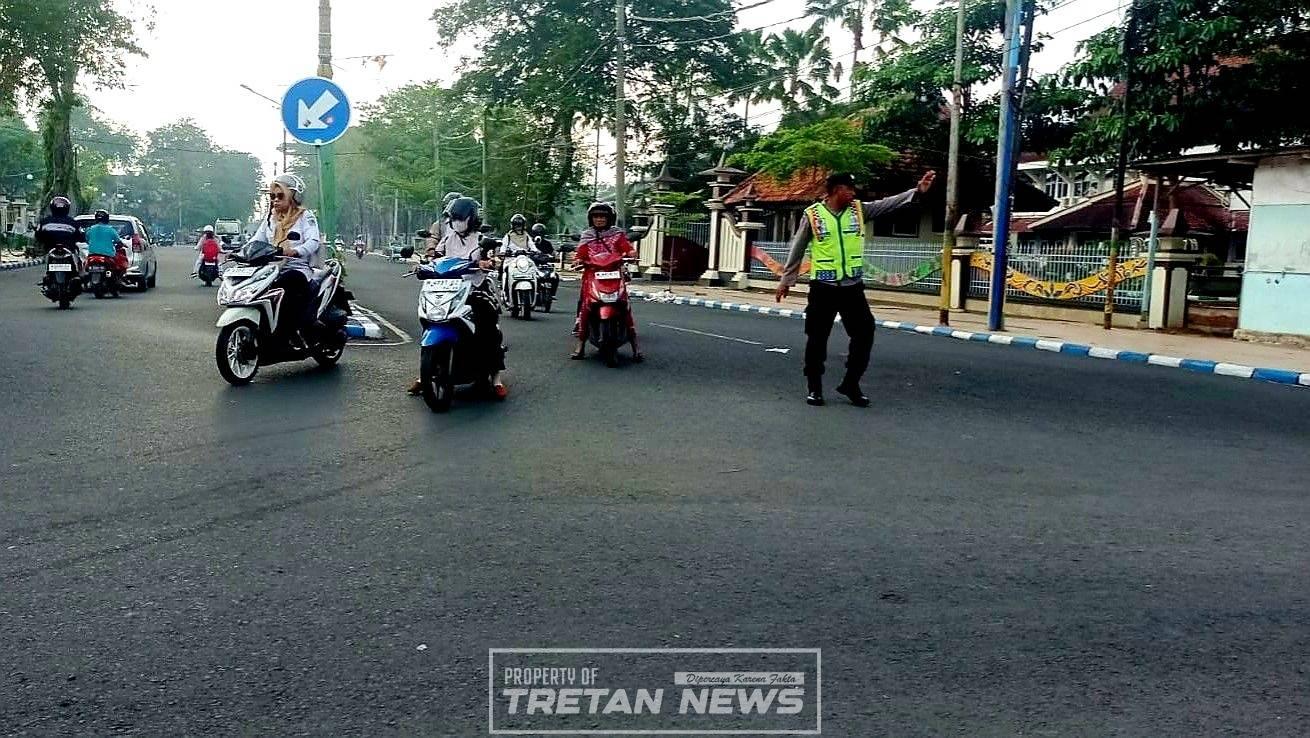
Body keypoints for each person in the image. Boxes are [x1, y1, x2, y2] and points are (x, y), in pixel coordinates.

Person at [775, 170, 936, 407]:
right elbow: (797, 248)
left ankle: (851, 383)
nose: (853, 193)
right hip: (823, 287)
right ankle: (814, 387)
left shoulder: (860, 211)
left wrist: (916, 191)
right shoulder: (813, 216)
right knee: (817, 338)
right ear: (836, 190)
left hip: (852, 287)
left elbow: (886, 205)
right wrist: (786, 280)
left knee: (865, 333)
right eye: (849, 188)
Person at [407, 196, 508, 399]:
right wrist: (422, 265)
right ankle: (424, 372)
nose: (456, 222)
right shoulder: (449, 237)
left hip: (475, 289)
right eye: (454, 218)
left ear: (471, 219)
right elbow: (437, 256)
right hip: (448, 288)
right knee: (429, 320)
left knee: (487, 324)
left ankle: (496, 378)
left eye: (460, 218)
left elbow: (494, 258)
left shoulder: (480, 239)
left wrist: (489, 262)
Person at [248, 174, 321, 347]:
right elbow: (256, 241)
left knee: (287, 284)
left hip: (298, 269)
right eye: (272, 196)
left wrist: (296, 251)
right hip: (272, 269)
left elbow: (313, 241)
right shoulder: (270, 219)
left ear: (294, 196)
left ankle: (291, 331)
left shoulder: (305, 217)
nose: (275, 200)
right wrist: (239, 252)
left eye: (280, 196)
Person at [571, 202, 641, 361]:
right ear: (591, 218)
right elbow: (580, 253)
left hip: (614, 273)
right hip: (592, 275)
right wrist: (577, 260)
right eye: (596, 216)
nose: (600, 219)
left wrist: (631, 252)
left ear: (610, 218)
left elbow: (626, 247)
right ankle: (580, 344)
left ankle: (635, 346)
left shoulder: (617, 234)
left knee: (625, 306)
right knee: (586, 308)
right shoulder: (587, 235)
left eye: (603, 216)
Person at [35, 196, 82, 266]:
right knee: (77, 254)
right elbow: (81, 235)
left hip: (50, 248)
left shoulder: (44, 221)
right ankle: (77, 272)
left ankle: (47, 273)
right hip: (68, 248)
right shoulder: (73, 222)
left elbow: (38, 234)